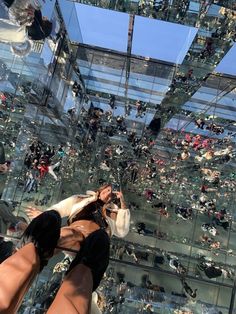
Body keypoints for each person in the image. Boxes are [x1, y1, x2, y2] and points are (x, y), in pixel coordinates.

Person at [25, 183, 130, 313]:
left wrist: (122, 202)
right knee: (66, 235)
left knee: (84, 272)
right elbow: (59, 208)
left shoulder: (113, 211)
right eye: (107, 190)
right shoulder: (80, 199)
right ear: (100, 190)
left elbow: (122, 230)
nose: (108, 194)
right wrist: (42, 215)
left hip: (96, 241)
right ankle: (28, 262)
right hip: (77, 231)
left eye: (111, 193)